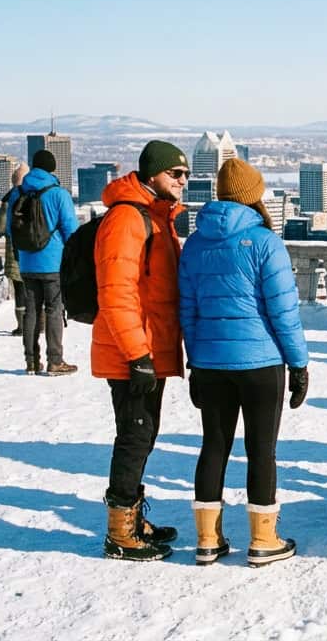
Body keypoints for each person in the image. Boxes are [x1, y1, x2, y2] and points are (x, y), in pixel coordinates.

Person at [180, 158, 308, 567]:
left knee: (213, 446)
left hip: (211, 362)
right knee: (261, 450)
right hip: (260, 361)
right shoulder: (265, 242)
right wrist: (299, 365)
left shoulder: (195, 243)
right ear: (254, 195)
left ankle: (206, 539)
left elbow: (188, 310)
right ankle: (263, 540)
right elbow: (284, 312)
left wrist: (194, 362)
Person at [94, 140, 188, 561]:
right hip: (133, 350)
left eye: (185, 174)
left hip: (150, 346)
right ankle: (120, 533)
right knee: (133, 436)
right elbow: (116, 292)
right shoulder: (127, 220)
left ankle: (133, 518)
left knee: (145, 433)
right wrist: (137, 354)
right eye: (175, 173)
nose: (182, 181)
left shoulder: (157, 217)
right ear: (152, 175)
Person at [5, 150, 79, 375]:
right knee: (54, 310)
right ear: (52, 168)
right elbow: (71, 231)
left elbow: (10, 229)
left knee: (31, 311)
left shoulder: (17, 194)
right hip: (53, 262)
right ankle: (55, 361)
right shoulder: (58, 194)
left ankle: (31, 362)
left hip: (27, 262)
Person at [0, 163, 29, 335]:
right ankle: (41, 323)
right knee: (37, 288)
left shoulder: (8, 199)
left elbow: (0, 226)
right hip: (33, 249)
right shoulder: (35, 195)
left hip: (13, 248)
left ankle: (22, 326)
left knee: (19, 289)